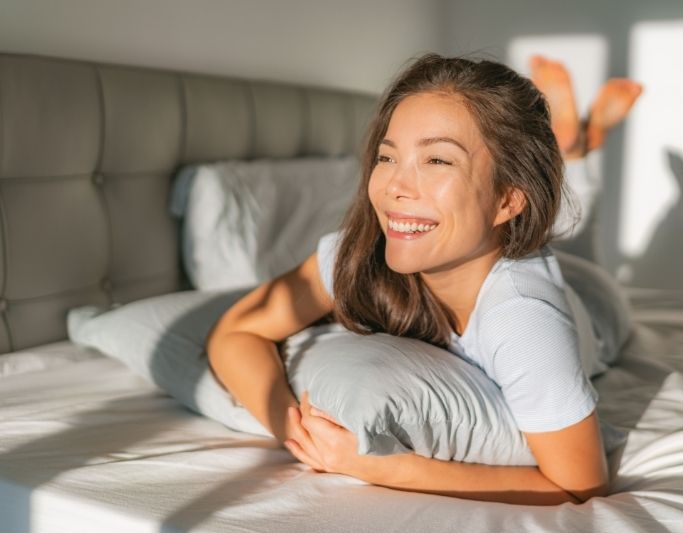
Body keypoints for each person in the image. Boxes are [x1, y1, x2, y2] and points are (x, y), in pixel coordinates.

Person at [207, 53, 638, 506]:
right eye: (387, 156)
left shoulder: (526, 320)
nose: (395, 185)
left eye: (436, 160)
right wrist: (289, 424)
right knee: (560, 239)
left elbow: (579, 485)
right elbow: (236, 330)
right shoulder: (359, 252)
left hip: (590, 306)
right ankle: (574, 150)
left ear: (507, 198)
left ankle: (576, 156)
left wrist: (380, 465)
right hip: (500, 249)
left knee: (582, 252)